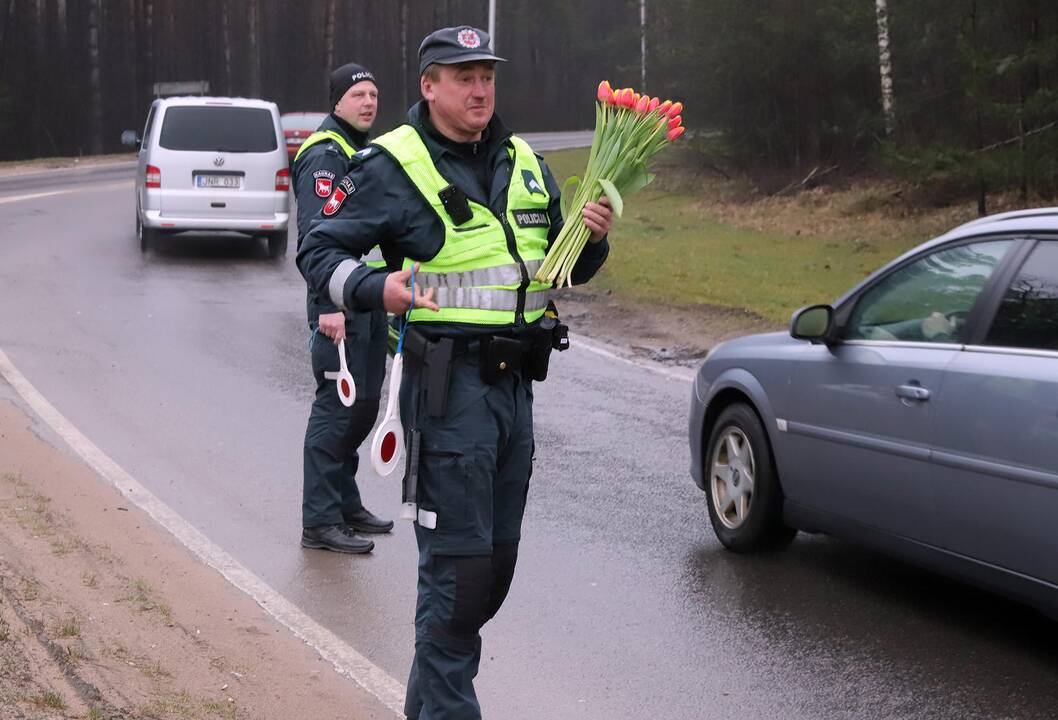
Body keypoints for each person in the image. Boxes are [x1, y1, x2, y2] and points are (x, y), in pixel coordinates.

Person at [297, 26, 613, 718]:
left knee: (490, 574)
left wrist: (592, 238)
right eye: (462, 76)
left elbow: (563, 270)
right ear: (429, 86)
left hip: (516, 393)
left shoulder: (524, 159)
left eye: (487, 76)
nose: (479, 89)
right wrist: (376, 290)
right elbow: (318, 249)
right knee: (459, 578)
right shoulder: (389, 164)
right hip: (448, 395)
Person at [292, 62, 392, 555]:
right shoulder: (325, 156)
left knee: (365, 405)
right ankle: (320, 521)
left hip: (368, 300)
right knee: (337, 410)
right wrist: (327, 305)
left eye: (373, 94)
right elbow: (316, 239)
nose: (369, 102)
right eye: (359, 95)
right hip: (338, 307)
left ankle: (346, 502)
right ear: (337, 102)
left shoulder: (362, 151)